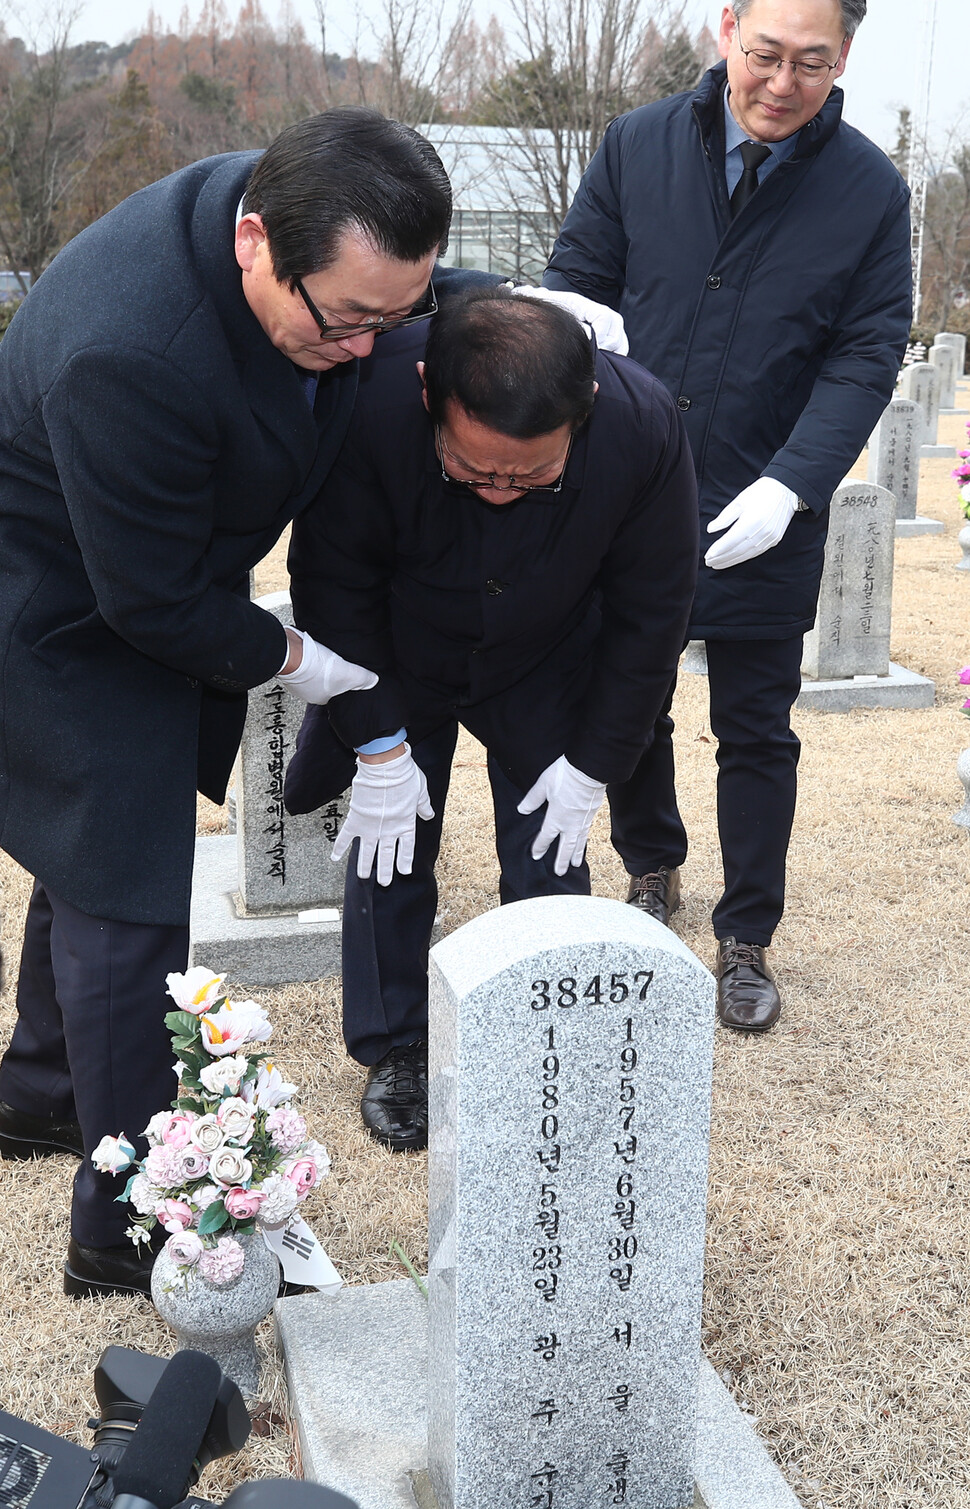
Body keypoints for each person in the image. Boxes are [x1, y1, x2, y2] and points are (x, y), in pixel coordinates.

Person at [0, 109, 457, 1299]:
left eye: (391, 316)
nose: (368, 348)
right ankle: (129, 1221)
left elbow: (397, 279)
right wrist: (301, 660)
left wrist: (536, 302)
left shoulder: (294, 219)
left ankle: (41, 1094)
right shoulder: (132, 347)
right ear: (256, 243)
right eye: (346, 322)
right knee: (124, 888)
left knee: (91, 852)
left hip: (146, 570)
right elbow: (147, 605)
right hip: (51, 601)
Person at [543, 0, 912, 1031]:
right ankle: (650, 868)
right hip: (627, 489)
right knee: (631, 698)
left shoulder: (871, 191)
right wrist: (579, 321)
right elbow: (577, 275)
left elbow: (865, 349)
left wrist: (794, 481)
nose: (781, 84)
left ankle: (746, 934)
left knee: (755, 728)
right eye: (764, 56)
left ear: (843, 57)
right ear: (724, 32)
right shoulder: (637, 143)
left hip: (764, 495)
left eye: (810, 63)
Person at [283, 286, 699, 1151]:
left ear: (583, 411)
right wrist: (379, 746)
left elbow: (653, 611)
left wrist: (593, 763)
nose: (502, 491)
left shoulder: (643, 424)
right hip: (397, 646)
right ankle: (396, 1043)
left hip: (548, 649)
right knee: (388, 840)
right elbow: (335, 583)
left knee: (551, 851)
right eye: (474, 470)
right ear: (431, 391)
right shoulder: (369, 396)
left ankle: (540, 1034)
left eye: (533, 474)